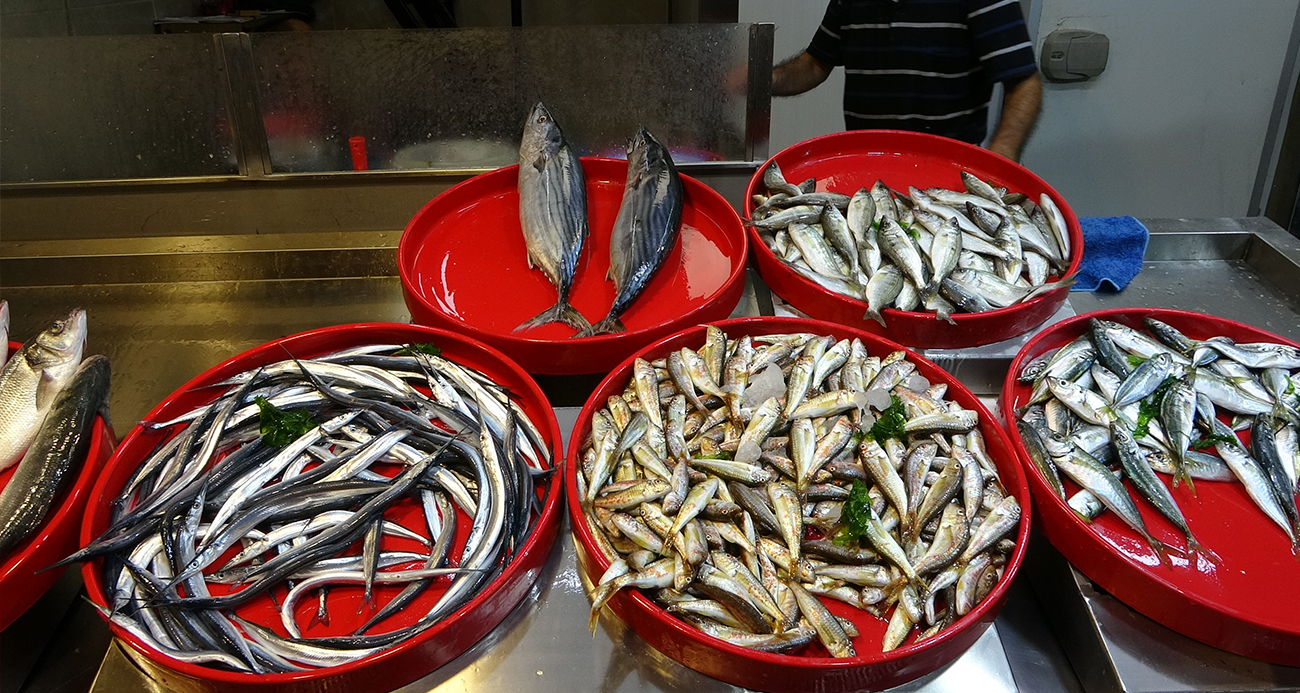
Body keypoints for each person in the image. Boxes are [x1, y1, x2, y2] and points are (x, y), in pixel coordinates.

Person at [772, 0, 1042, 161]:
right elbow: (816, 63)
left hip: (950, 176)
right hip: (865, 164)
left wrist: (1000, 158)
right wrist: (763, 79)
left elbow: (1023, 81)